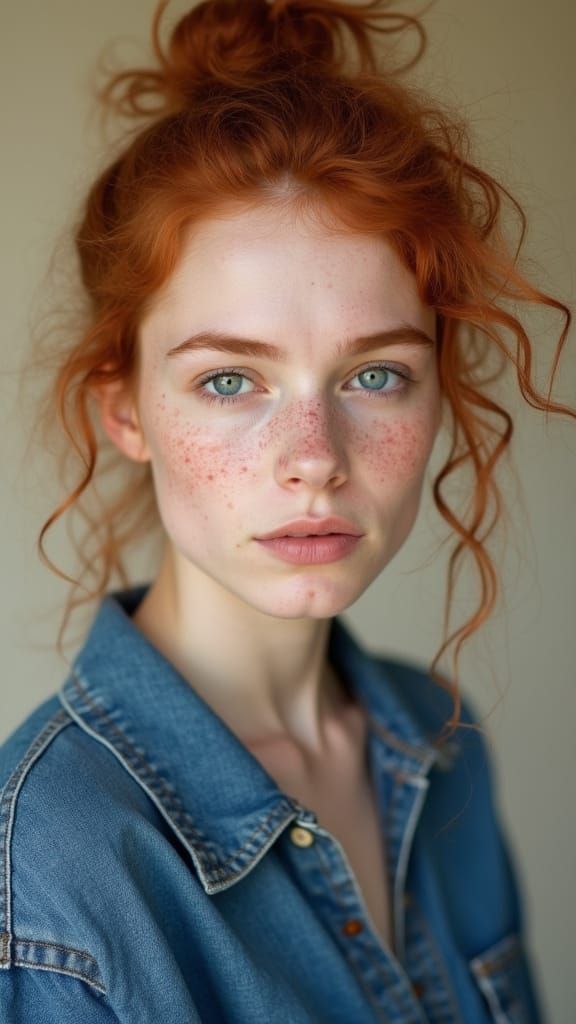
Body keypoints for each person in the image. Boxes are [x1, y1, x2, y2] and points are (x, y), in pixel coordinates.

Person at [0, 1, 572, 1020]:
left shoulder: (441, 745)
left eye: (376, 375)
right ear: (125, 408)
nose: (315, 459)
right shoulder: (46, 871)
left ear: (441, 390)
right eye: (230, 381)